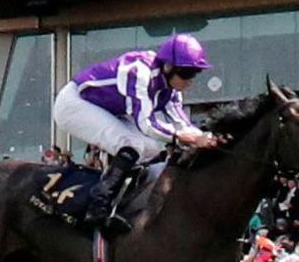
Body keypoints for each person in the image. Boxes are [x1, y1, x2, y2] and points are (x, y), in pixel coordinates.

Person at [50, 33, 222, 233]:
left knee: (151, 148)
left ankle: (124, 201)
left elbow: (182, 124)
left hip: (105, 108)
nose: (190, 80)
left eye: (194, 73)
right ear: (168, 66)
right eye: (186, 73)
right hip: (74, 104)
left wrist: (209, 139)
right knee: (132, 144)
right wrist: (181, 137)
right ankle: (98, 207)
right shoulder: (140, 73)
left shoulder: (172, 89)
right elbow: (146, 123)